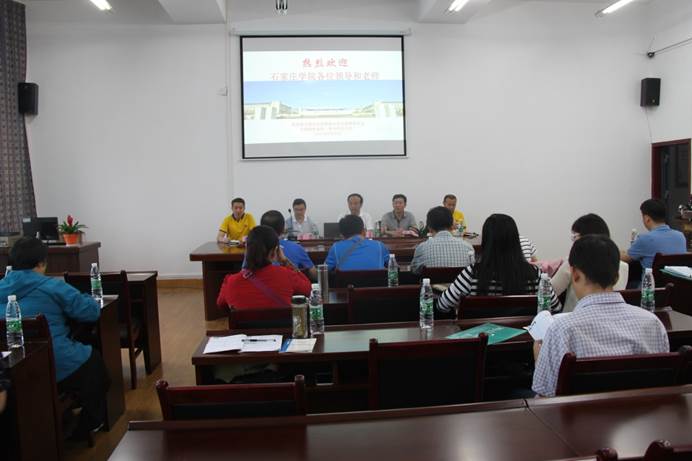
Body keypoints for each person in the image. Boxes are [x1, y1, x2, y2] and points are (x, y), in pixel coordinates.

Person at [532, 235, 669, 397]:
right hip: (641, 411)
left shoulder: (561, 330)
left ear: (574, 274)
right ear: (617, 276)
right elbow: (662, 387)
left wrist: (539, 359)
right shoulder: (652, 323)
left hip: (580, 413)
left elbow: (546, 397)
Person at [0, 237, 107, 437]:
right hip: (53, 365)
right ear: (41, 263)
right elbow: (91, 312)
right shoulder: (52, 286)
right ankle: (89, 424)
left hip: (8, 371)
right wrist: (86, 298)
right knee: (94, 362)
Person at [438, 214, 560, 314]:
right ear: (516, 240)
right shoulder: (535, 274)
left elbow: (442, 305)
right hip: (524, 336)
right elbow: (556, 307)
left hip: (480, 336)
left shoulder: (472, 274)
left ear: (486, 242)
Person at [217, 226, 311, 309]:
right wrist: (285, 261)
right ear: (275, 251)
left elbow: (221, 304)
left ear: (247, 250)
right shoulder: (287, 275)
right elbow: (308, 290)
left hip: (245, 324)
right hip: (280, 324)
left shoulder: (231, 281)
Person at [551, 214, 629, 312]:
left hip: (575, 316)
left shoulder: (573, 263)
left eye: (575, 236)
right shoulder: (623, 266)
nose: (573, 241)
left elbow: (549, 292)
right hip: (615, 315)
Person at [621, 199, 687, 270]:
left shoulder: (645, 239)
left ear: (647, 218)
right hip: (675, 277)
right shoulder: (681, 236)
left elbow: (625, 258)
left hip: (652, 277)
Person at [410, 206, 474, 273]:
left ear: (429, 228)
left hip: (432, 280)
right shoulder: (468, 248)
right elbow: (471, 271)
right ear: (452, 226)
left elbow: (415, 271)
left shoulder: (421, 248)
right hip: (459, 280)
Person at [260, 210, 317, 280]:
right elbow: (314, 275)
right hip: (291, 286)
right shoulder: (296, 248)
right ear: (283, 229)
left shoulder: (253, 249)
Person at [325, 215, 389, 271]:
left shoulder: (335, 248)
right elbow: (392, 265)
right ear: (363, 231)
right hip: (377, 281)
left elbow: (325, 270)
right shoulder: (379, 245)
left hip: (346, 281)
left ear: (342, 235)